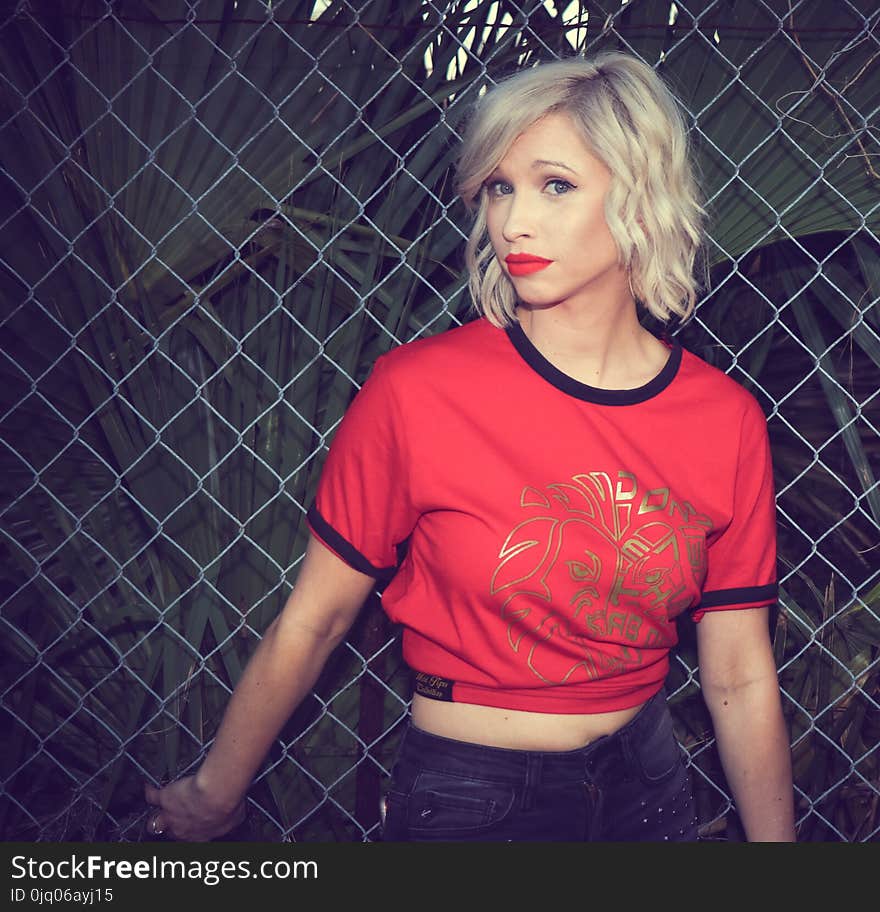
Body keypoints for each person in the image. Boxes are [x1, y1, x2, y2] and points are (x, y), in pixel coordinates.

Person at [144, 51, 796, 842]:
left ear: (640, 198)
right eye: (499, 187)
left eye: (555, 185)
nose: (514, 220)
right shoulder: (418, 391)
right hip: (472, 799)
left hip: (647, 789)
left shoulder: (720, 418)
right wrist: (217, 790)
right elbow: (315, 618)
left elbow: (737, 672)